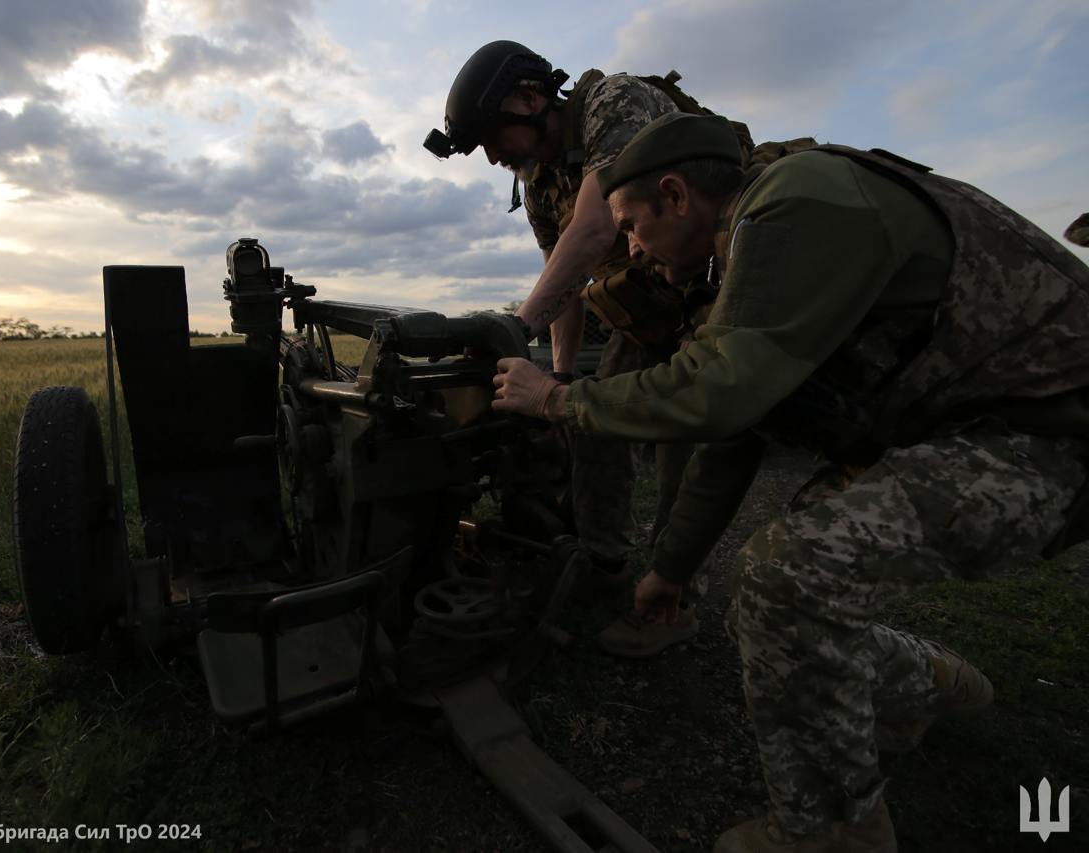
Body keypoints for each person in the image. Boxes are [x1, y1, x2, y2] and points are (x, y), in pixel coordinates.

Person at [492, 111, 1089, 851]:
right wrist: (669, 573)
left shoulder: (793, 202)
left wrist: (557, 397)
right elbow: (739, 432)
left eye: (630, 225)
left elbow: (721, 391)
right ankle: (923, 681)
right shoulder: (752, 250)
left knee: (786, 578)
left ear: (676, 196)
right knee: (774, 605)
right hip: (975, 426)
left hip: (1051, 436)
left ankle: (834, 832)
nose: (632, 249)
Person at [427, 41, 737, 655]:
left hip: (717, 289)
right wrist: (560, 380)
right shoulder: (539, 182)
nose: (491, 158)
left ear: (530, 98)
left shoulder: (614, 103)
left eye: (492, 137)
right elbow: (565, 281)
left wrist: (513, 333)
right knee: (591, 419)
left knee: (682, 441)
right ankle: (605, 565)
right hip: (649, 306)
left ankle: (672, 600)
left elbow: (595, 229)